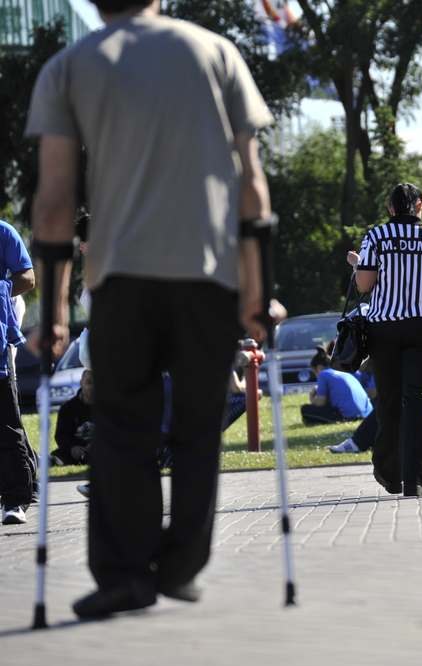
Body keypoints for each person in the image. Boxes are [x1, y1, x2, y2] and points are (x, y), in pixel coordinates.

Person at [26, 0, 277, 618]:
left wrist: (55, 311)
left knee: (122, 429)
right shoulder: (215, 52)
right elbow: (251, 183)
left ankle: (123, 575)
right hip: (207, 274)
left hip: (120, 279)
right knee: (196, 428)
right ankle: (182, 566)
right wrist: (256, 289)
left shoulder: (69, 65)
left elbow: (55, 202)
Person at [354, 183, 422, 497]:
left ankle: (389, 471)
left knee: (389, 401)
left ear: (390, 208)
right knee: (417, 401)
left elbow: (365, 284)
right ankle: (414, 476)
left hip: (385, 329)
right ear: (419, 205)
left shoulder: (376, 237)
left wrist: (357, 265)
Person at [0, 218, 36, 525]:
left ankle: (16, 499)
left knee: (7, 423)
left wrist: (2, 289)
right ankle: (27, 475)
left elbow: (28, 277)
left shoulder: (4, 232)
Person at [301, 348, 373, 424]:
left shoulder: (323, 374)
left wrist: (311, 396)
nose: (316, 376)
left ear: (319, 368)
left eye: (314, 372)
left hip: (348, 416)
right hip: (366, 414)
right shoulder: (344, 373)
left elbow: (320, 403)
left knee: (305, 409)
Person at [328, 360, 378, 453]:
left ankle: (358, 442)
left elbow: (374, 392)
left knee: (386, 407)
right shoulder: (359, 373)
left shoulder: (326, 374)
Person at [53, 368, 96, 466]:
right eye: (89, 382)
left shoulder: (108, 406)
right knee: (58, 456)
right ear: (81, 383)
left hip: (101, 448)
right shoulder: (68, 408)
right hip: (76, 449)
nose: (92, 387)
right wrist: (73, 448)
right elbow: (61, 436)